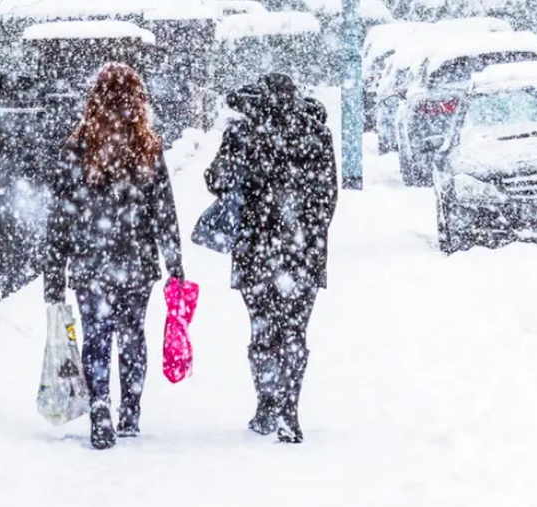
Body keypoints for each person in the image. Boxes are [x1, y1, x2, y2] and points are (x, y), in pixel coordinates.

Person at [44, 63, 184, 450]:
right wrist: (175, 265)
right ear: (139, 101)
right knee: (132, 334)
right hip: (136, 261)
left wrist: (54, 275)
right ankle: (131, 410)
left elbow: (60, 216)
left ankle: (100, 406)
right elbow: (164, 210)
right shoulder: (147, 146)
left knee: (96, 336)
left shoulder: (78, 147)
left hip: (91, 262)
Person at [205, 74, 338, 444]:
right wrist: (308, 233)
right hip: (303, 252)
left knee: (262, 329)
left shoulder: (243, 133)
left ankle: (266, 404)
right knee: (294, 331)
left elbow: (217, 181)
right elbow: (328, 197)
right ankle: (289, 410)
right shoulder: (316, 134)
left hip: (255, 249)